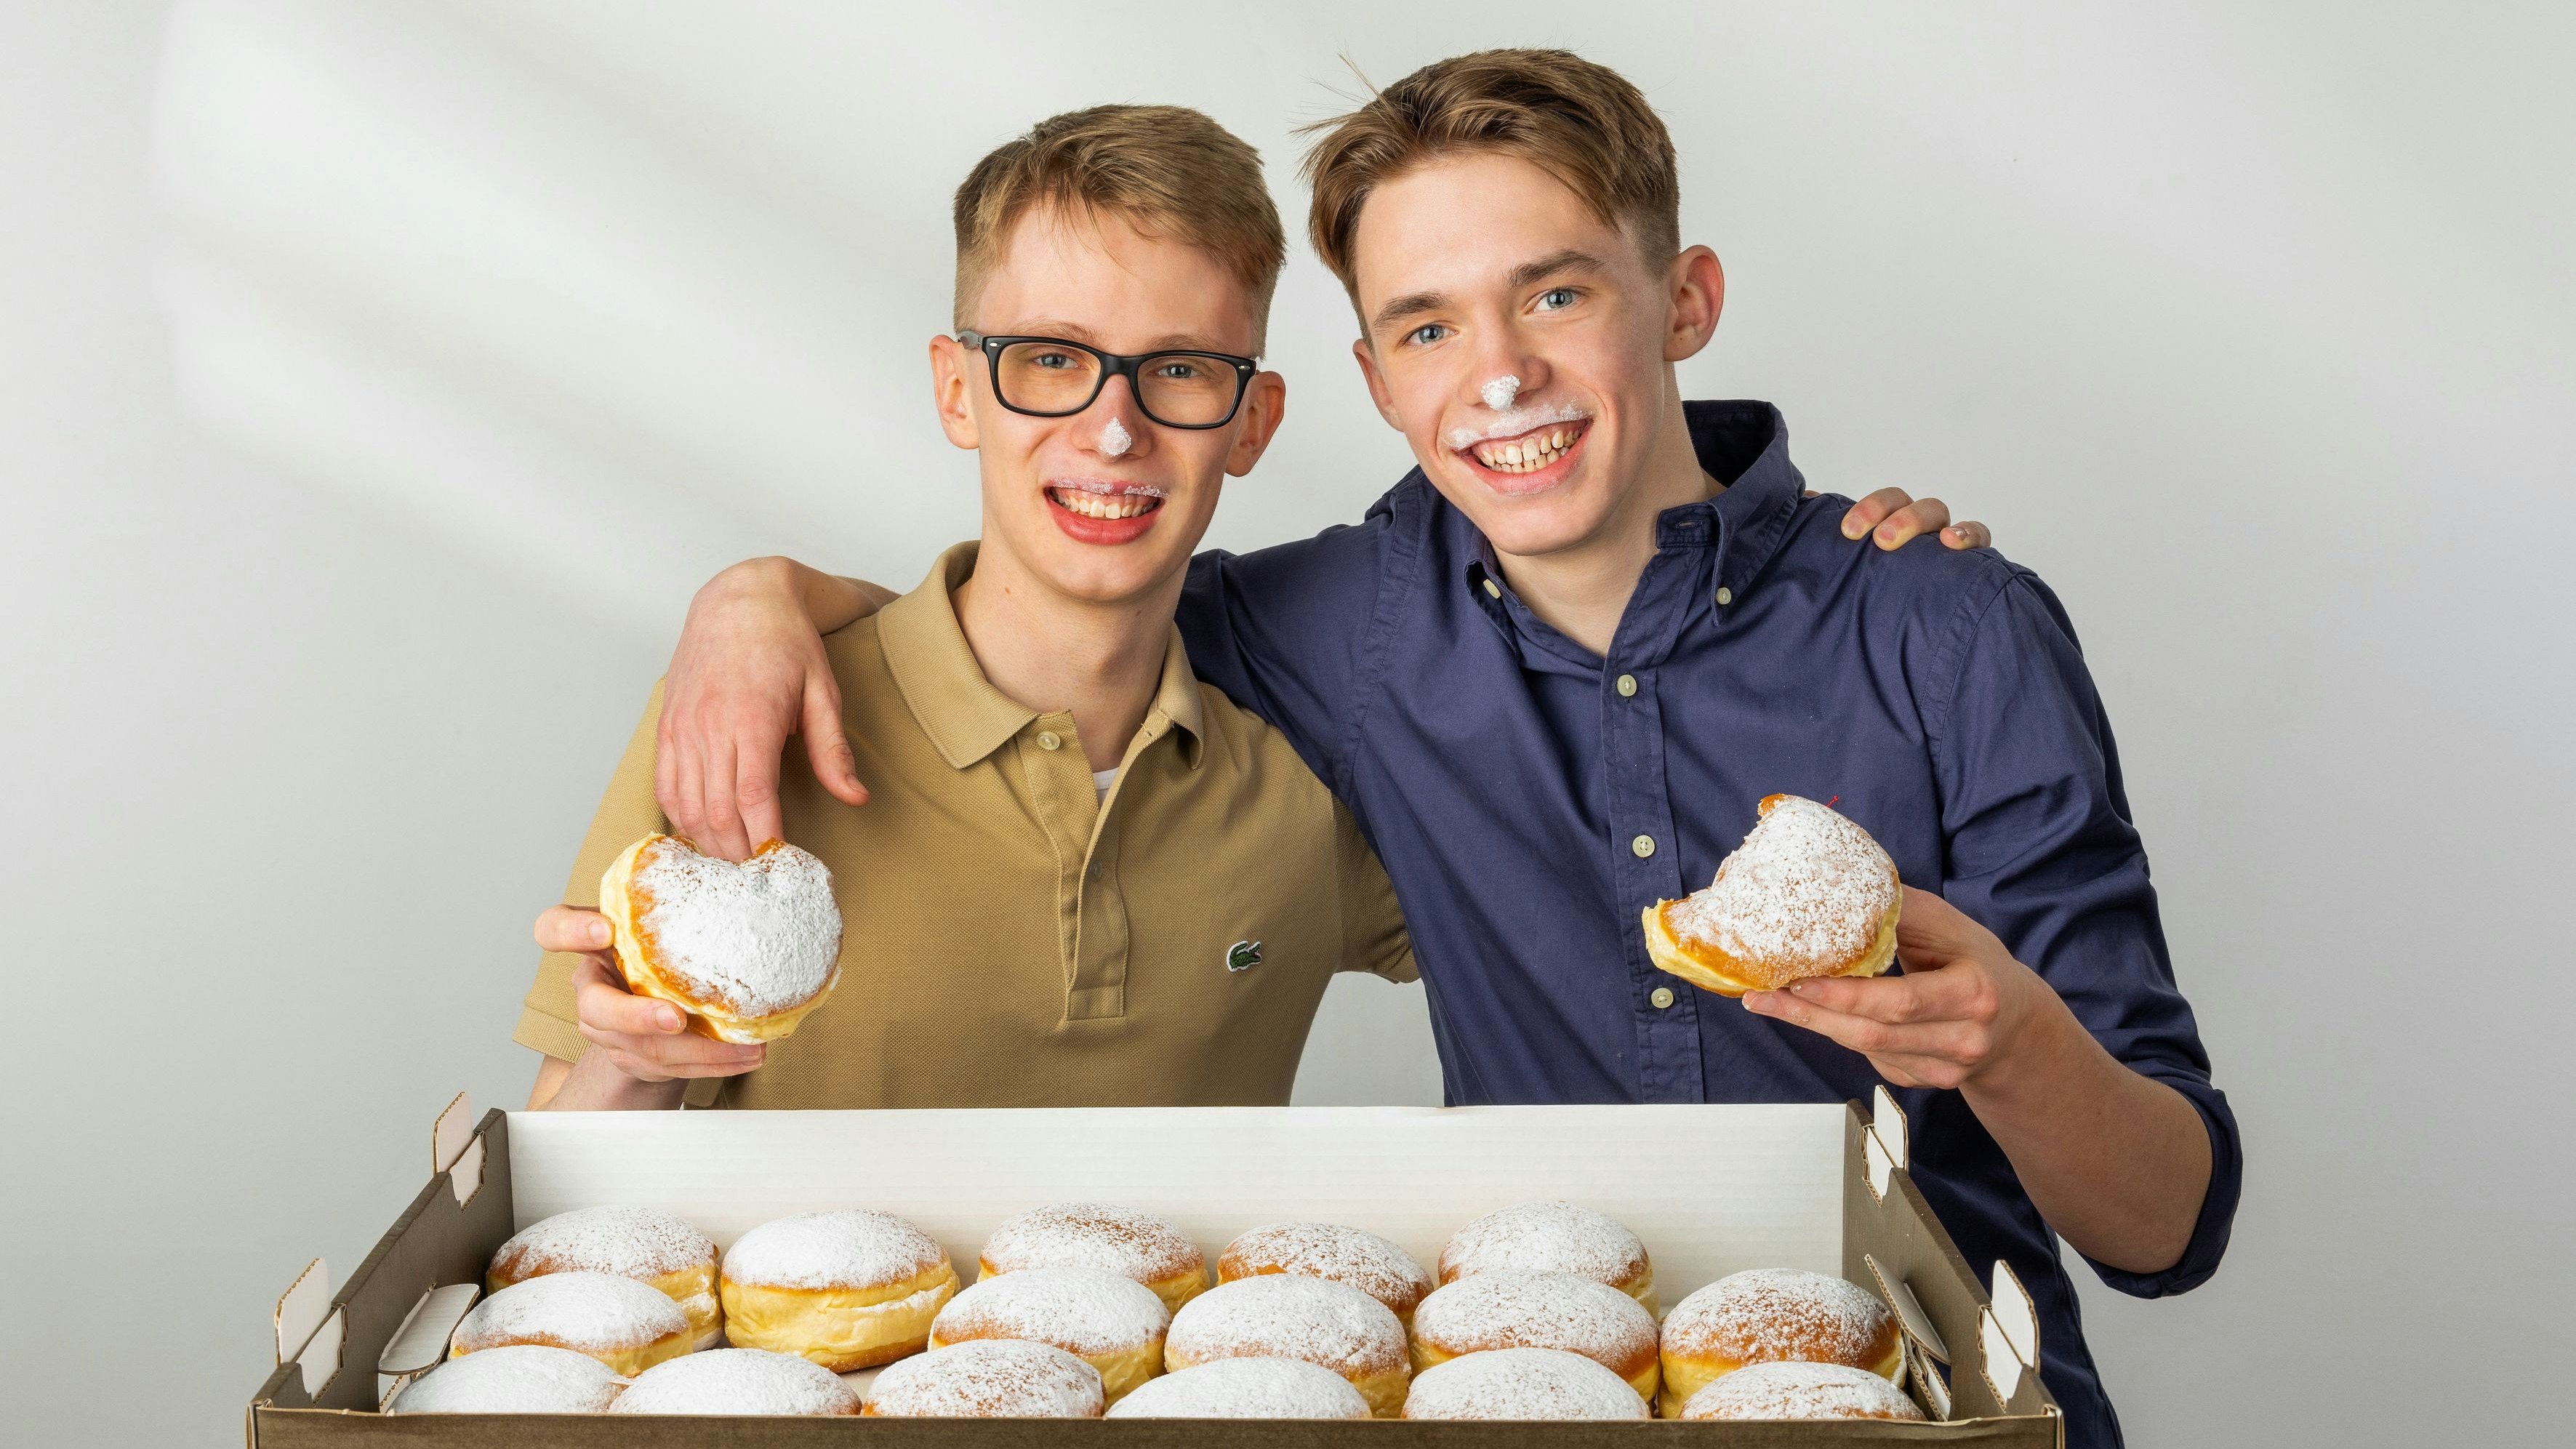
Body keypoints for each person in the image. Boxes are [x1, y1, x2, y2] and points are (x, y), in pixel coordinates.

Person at [654, 52, 2236, 1445]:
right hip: (1535, 1391)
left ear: (1681, 299)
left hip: (1926, 1415)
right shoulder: (1352, 622)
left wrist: (2003, 1041)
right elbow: (1064, 582)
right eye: (1424, 326)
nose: (1495, 376)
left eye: (1555, 292)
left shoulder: (1944, 632)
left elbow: (2167, 1225)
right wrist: (757, 597)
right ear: (1368, 379)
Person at [521, 102, 1965, 1115]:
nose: (1109, 430)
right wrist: (634, 1061)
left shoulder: (1310, 765)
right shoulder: (747, 712)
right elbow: (556, 1205)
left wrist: (1819, 588)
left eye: (1180, 372)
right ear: (957, 388)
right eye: (1048, 360)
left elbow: (1626, 933)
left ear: (1254, 420)